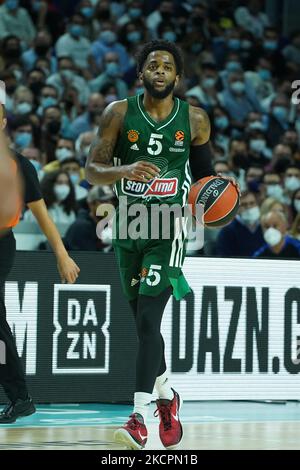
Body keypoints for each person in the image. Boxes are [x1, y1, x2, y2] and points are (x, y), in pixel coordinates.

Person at [86, 40, 239, 450]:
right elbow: (90, 170)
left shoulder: (195, 119)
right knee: (142, 325)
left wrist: (214, 204)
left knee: (150, 322)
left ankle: (138, 418)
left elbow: (207, 182)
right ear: (141, 74)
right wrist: (123, 170)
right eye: (152, 64)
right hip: (128, 228)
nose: (159, 70)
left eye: (167, 65)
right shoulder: (118, 113)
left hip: (168, 227)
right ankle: (168, 397)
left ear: (177, 76)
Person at [0, 103, 80, 424]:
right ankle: (20, 398)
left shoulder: (19, 165)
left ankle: (20, 397)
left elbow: (41, 214)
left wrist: (61, 254)